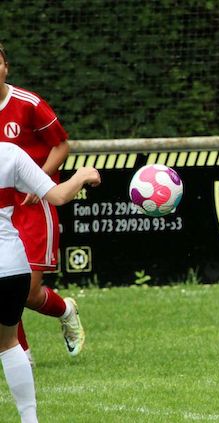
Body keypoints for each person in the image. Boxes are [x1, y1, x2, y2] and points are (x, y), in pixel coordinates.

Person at [1, 141, 100, 423]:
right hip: (12, 267)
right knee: (8, 344)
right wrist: (81, 176)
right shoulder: (10, 153)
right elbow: (57, 195)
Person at [0, 42, 85, 363]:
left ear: (6, 67)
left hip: (35, 204)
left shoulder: (29, 104)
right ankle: (21, 355)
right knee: (4, 280)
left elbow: (62, 146)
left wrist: (40, 180)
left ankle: (65, 310)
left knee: (26, 291)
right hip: (2, 206)